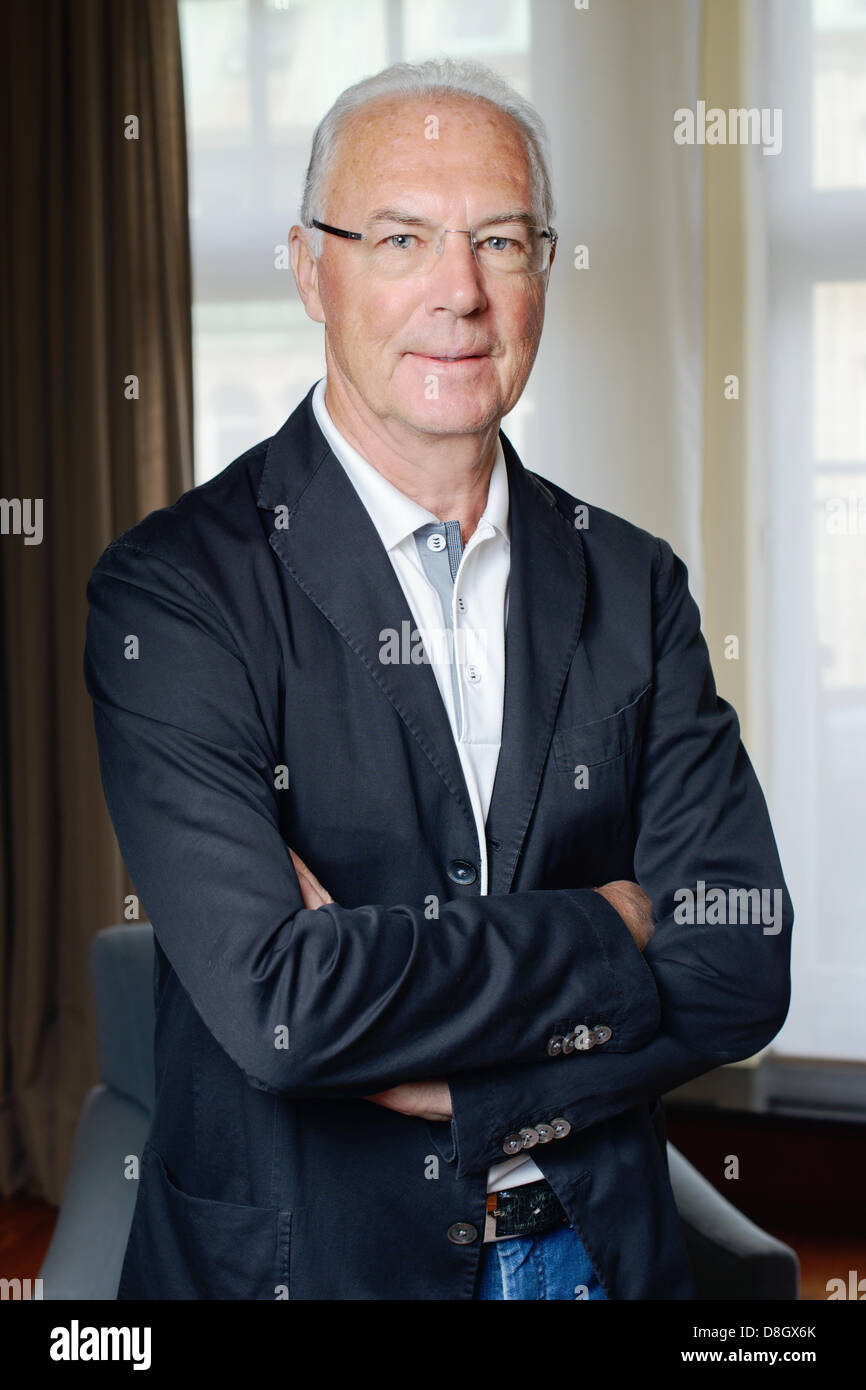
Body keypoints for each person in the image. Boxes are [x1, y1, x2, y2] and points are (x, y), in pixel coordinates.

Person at [84, 57, 793, 1301]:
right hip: (306, 1267)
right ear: (313, 268)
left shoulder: (631, 583)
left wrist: (465, 1080)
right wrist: (614, 922)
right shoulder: (174, 593)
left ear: (543, 272)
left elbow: (739, 962)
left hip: (595, 1256)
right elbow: (283, 1007)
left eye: (500, 242)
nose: (458, 294)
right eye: (402, 237)